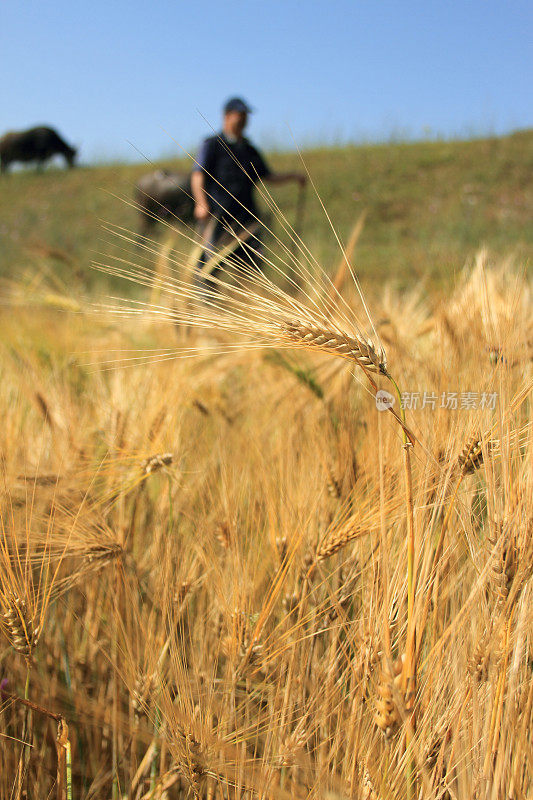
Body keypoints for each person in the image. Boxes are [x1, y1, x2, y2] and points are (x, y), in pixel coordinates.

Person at [191, 97, 306, 290]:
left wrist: (294, 177)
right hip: (218, 214)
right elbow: (198, 175)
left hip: (247, 216)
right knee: (210, 262)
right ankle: (207, 304)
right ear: (227, 116)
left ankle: (244, 302)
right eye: (240, 115)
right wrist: (201, 203)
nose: (244, 120)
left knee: (253, 261)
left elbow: (268, 176)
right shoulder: (212, 145)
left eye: (246, 116)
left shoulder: (250, 150)